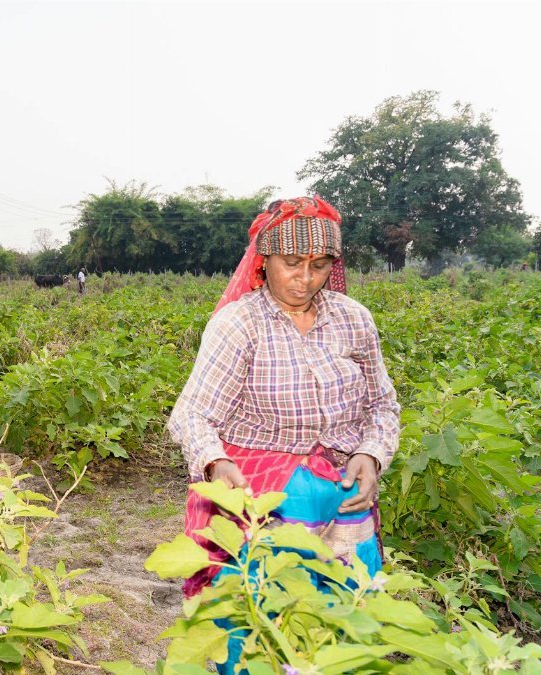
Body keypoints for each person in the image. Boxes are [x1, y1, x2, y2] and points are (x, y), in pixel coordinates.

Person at [166, 197, 400, 673]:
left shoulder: (353, 319)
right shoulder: (239, 324)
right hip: (265, 496)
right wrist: (216, 462)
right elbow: (192, 415)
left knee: (341, 620)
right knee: (261, 618)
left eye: (319, 265)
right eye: (292, 263)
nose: (305, 277)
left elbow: (383, 404)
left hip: (343, 493)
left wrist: (371, 455)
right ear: (264, 260)